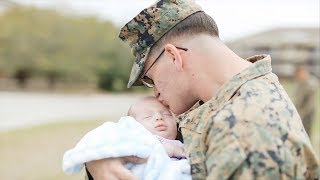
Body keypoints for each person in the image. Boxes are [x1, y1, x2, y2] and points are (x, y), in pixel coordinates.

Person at [87, 0, 320, 179]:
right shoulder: (215, 99)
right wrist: (100, 160)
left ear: (173, 56)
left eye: (150, 78)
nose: (155, 92)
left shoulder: (246, 129)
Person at [63, 96, 188, 179]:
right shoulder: (139, 140)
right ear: (134, 126)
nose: (158, 117)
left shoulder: (185, 135)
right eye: (147, 117)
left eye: (166, 114)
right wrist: (171, 150)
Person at [293, 66, 318, 136]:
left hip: (308, 113)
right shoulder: (300, 84)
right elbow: (298, 99)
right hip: (300, 113)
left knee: (307, 133)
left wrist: (302, 114)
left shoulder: (310, 85)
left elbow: (309, 104)